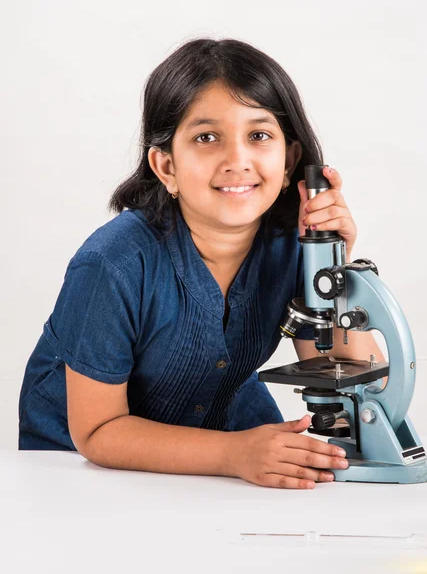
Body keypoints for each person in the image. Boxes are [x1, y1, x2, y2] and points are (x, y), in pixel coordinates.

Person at [18, 37, 383, 489]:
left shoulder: (295, 249)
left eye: (259, 135)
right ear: (166, 166)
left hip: (223, 446)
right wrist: (235, 454)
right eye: (206, 137)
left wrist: (336, 271)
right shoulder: (110, 264)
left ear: (289, 161)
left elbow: (349, 376)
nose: (237, 160)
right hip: (83, 471)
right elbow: (97, 432)